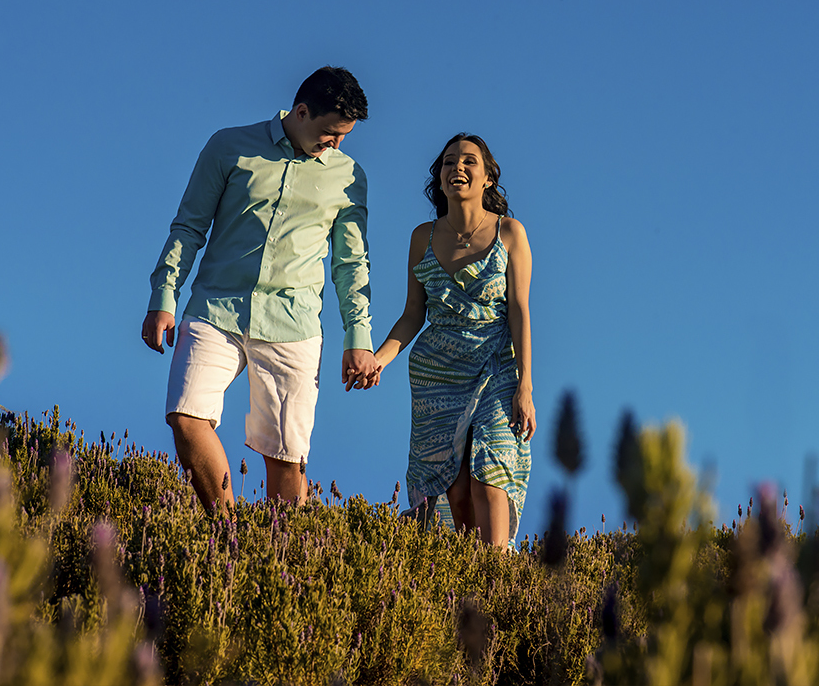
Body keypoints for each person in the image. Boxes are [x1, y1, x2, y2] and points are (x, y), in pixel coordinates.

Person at [141, 66, 379, 512]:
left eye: (344, 137)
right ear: (301, 111)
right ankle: (227, 538)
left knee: (285, 461)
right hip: (215, 309)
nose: (337, 144)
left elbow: (351, 264)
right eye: (330, 133)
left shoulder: (349, 176)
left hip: (295, 326)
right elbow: (189, 226)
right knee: (185, 417)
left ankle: (277, 562)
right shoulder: (228, 146)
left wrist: (358, 337)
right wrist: (164, 297)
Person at [374, 133, 535, 547]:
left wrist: (525, 386)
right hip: (437, 376)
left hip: (496, 364)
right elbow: (413, 314)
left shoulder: (510, 234)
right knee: (455, 487)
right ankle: (463, 579)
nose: (457, 168)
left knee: (490, 473)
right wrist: (379, 359)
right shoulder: (421, 237)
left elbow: (518, 309)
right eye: (448, 162)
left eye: (468, 161)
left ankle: (499, 578)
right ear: (440, 178)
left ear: (487, 179)